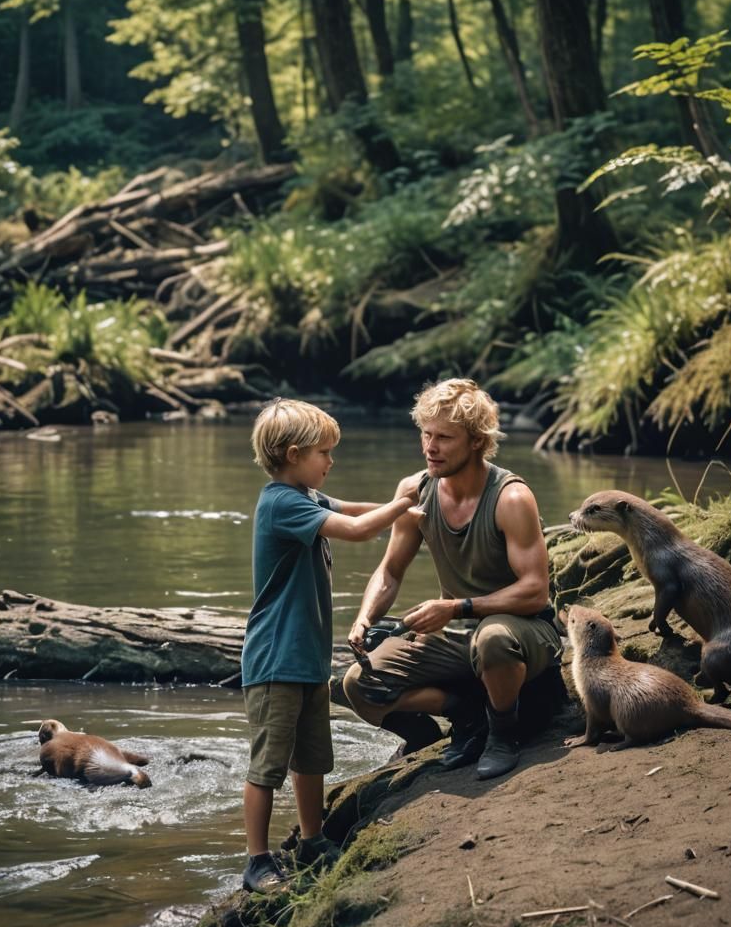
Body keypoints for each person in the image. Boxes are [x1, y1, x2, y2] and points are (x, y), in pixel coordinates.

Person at [342, 378, 563, 781]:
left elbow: (535, 591)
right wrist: (364, 619)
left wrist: (457, 607)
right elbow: (390, 571)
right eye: (426, 434)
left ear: (477, 441)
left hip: (523, 630)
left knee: (493, 639)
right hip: (457, 635)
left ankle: (502, 734)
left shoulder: (511, 498)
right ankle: (465, 717)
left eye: (444, 438)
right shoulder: (415, 490)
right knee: (359, 684)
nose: (430, 447)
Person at [240, 398, 419, 894]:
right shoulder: (280, 502)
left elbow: (355, 511)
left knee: (312, 758)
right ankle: (257, 860)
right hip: (275, 660)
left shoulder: (306, 495)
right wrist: (403, 504)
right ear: (294, 455)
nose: (331, 461)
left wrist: (404, 504)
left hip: (305, 659)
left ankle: (312, 839)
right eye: (324, 453)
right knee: (267, 767)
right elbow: (359, 531)